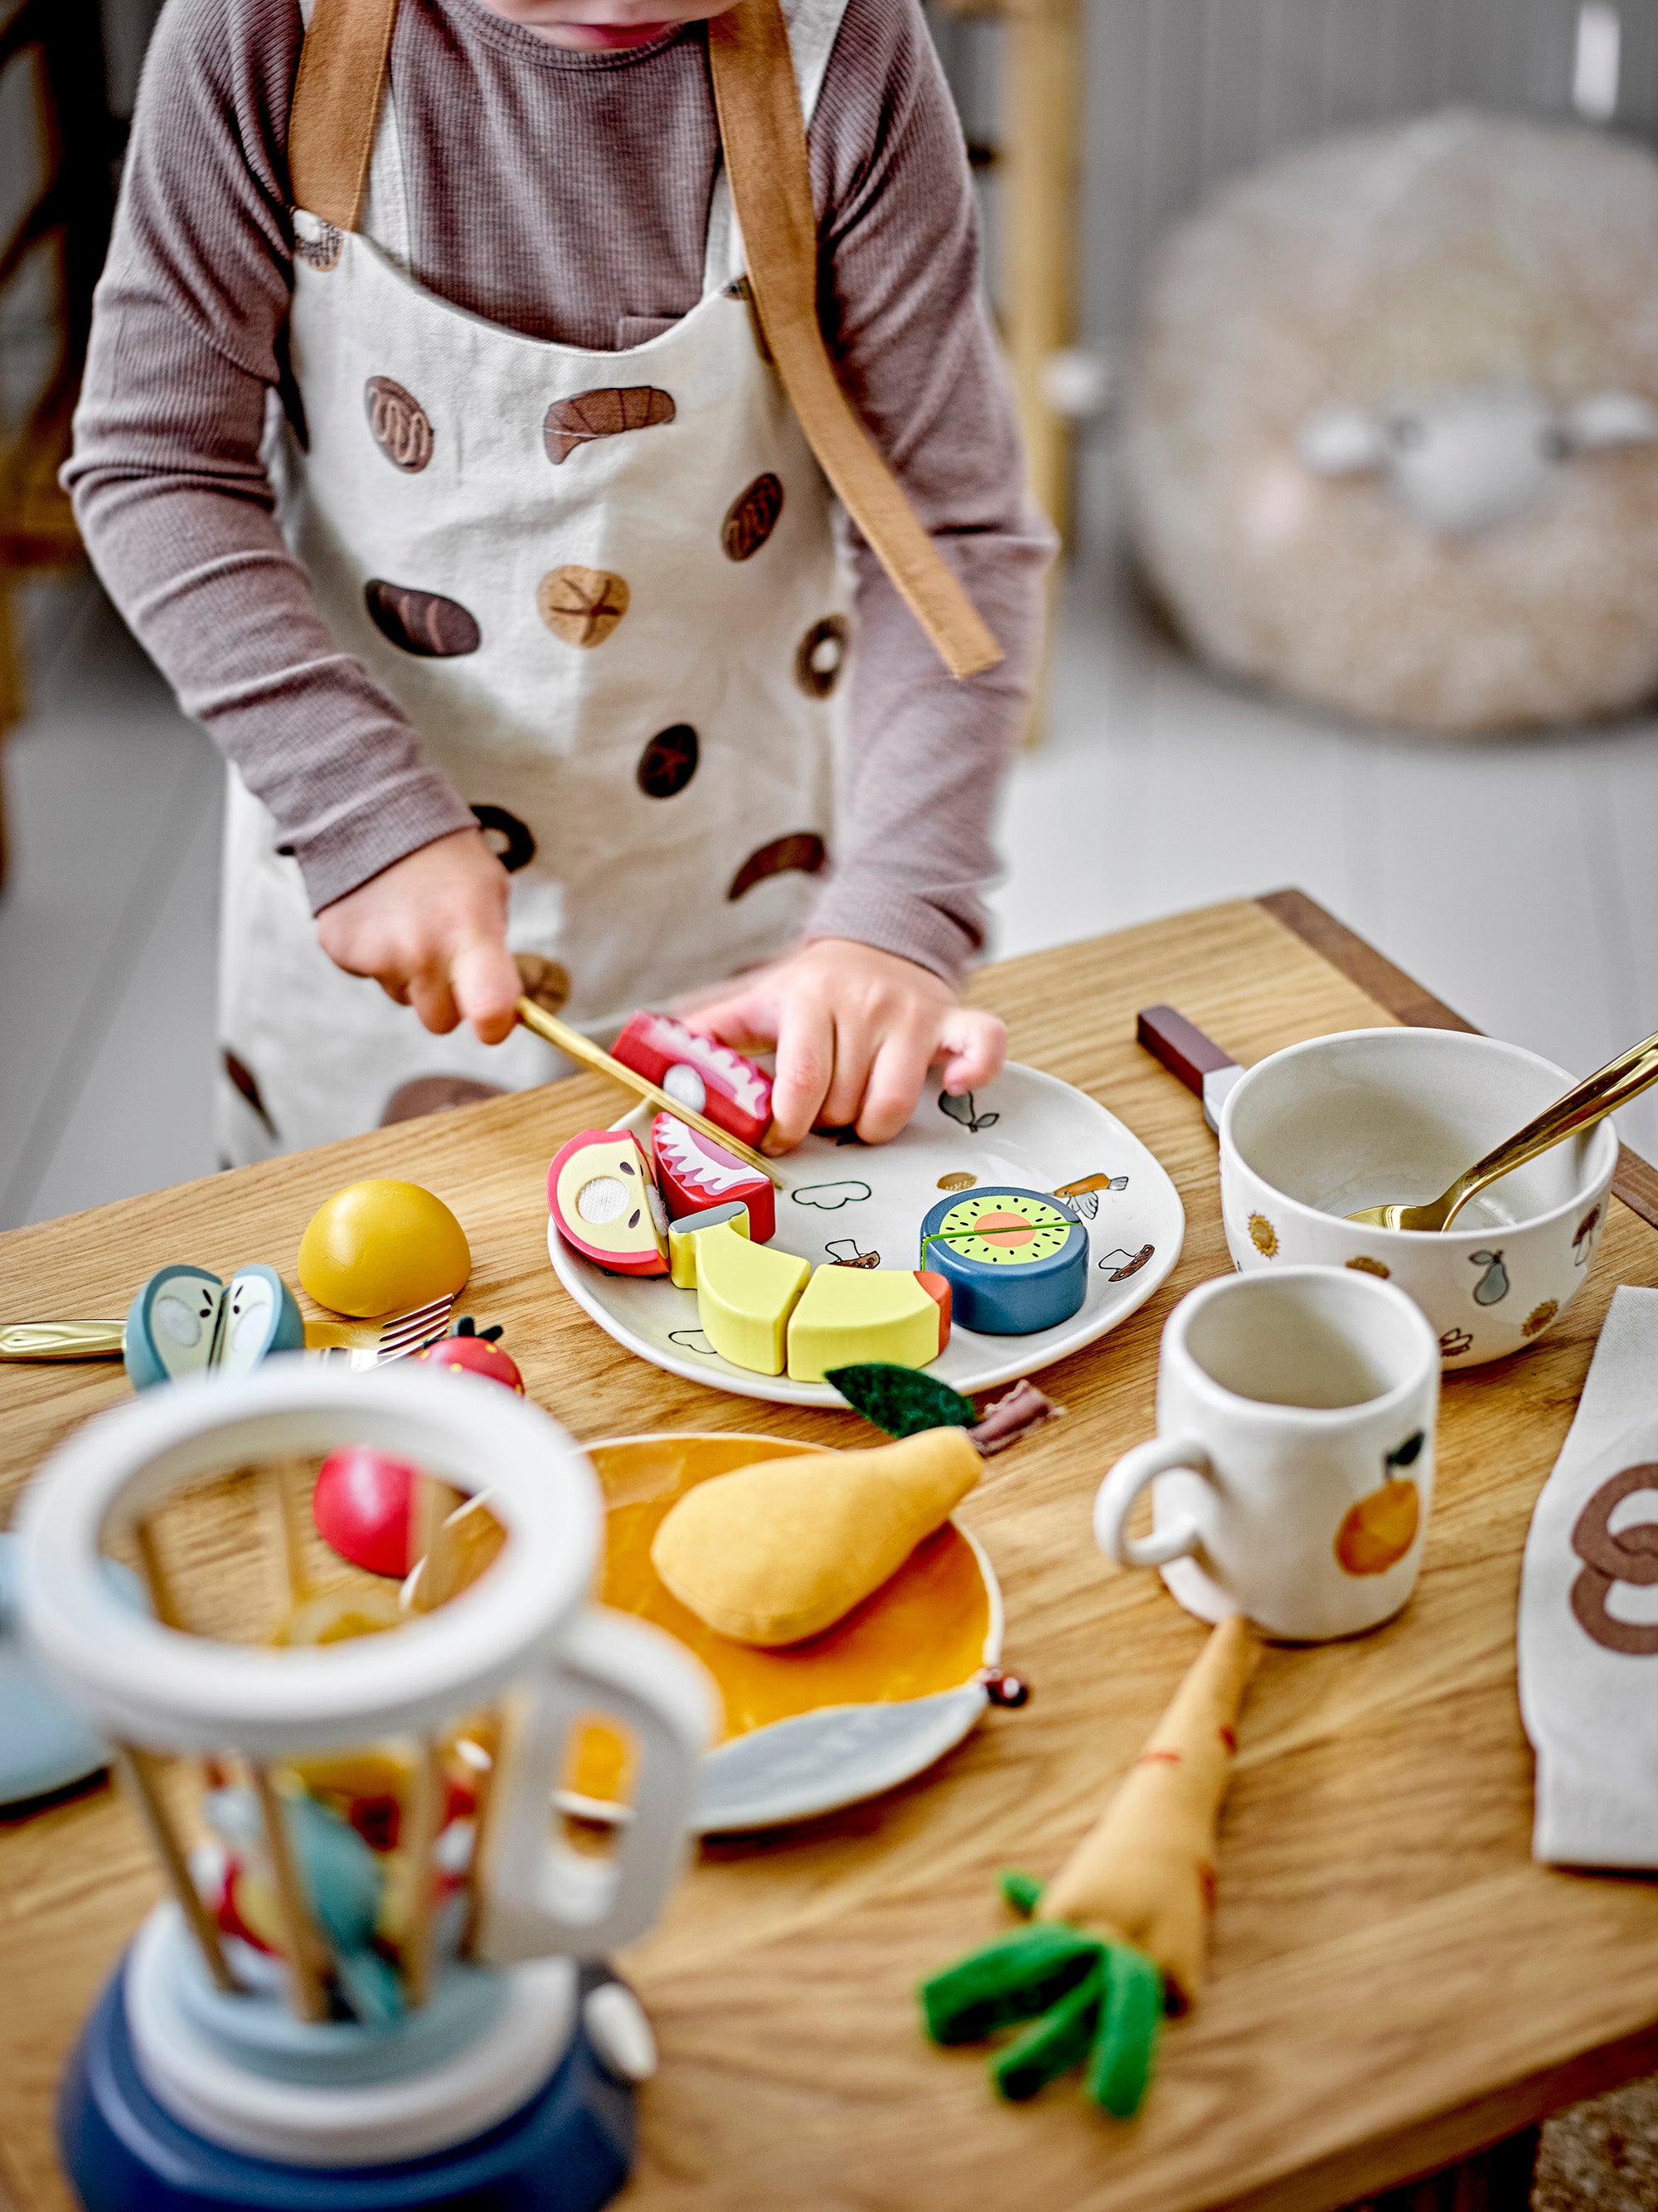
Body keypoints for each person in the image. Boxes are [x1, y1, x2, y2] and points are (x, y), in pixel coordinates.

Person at [67, 0, 1051, 1161]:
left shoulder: (843, 52)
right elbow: (158, 466)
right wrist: (354, 808)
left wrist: (895, 918)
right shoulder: (259, 30)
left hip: (740, 897)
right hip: (371, 873)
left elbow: (951, 533)